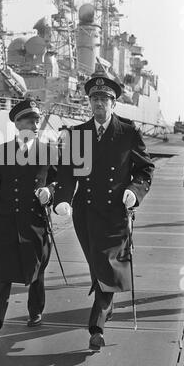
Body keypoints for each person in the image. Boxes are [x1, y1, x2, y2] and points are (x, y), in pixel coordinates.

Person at [53, 72, 155, 350]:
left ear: (113, 103)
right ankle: (106, 306)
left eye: (105, 99)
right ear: (89, 102)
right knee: (98, 267)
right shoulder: (77, 134)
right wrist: (62, 198)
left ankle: (96, 326)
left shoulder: (128, 132)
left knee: (107, 265)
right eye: (95, 99)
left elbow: (145, 168)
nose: (99, 104)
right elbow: (66, 172)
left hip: (115, 213)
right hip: (85, 214)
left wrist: (134, 191)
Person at [0, 99, 56, 341]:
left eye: (37, 119)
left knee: (36, 271)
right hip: (5, 222)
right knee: (1, 274)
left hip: (35, 223)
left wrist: (51, 192)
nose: (35, 124)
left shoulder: (49, 152)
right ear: (17, 123)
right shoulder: (0, 152)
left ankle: (35, 310)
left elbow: (59, 182)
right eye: (29, 120)